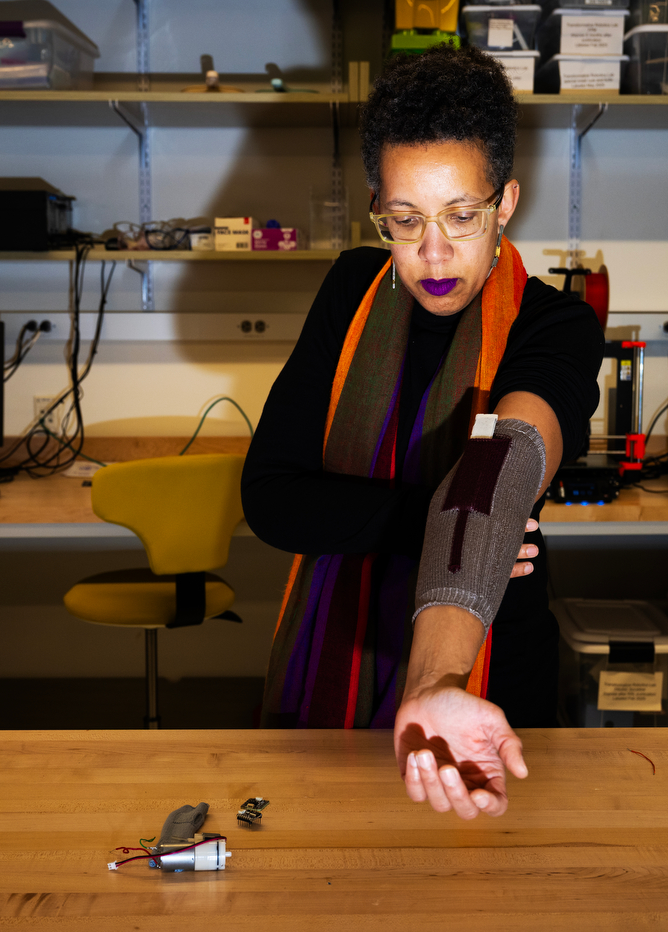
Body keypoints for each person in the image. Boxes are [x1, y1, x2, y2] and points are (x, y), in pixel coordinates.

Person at [242, 46, 602, 819]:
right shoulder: (348, 290)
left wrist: (435, 684)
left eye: (461, 217)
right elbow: (272, 498)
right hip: (331, 653)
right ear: (379, 207)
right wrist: (445, 519)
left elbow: (503, 464)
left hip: (490, 678)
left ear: (505, 202)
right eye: (405, 221)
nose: (432, 254)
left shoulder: (556, 325)